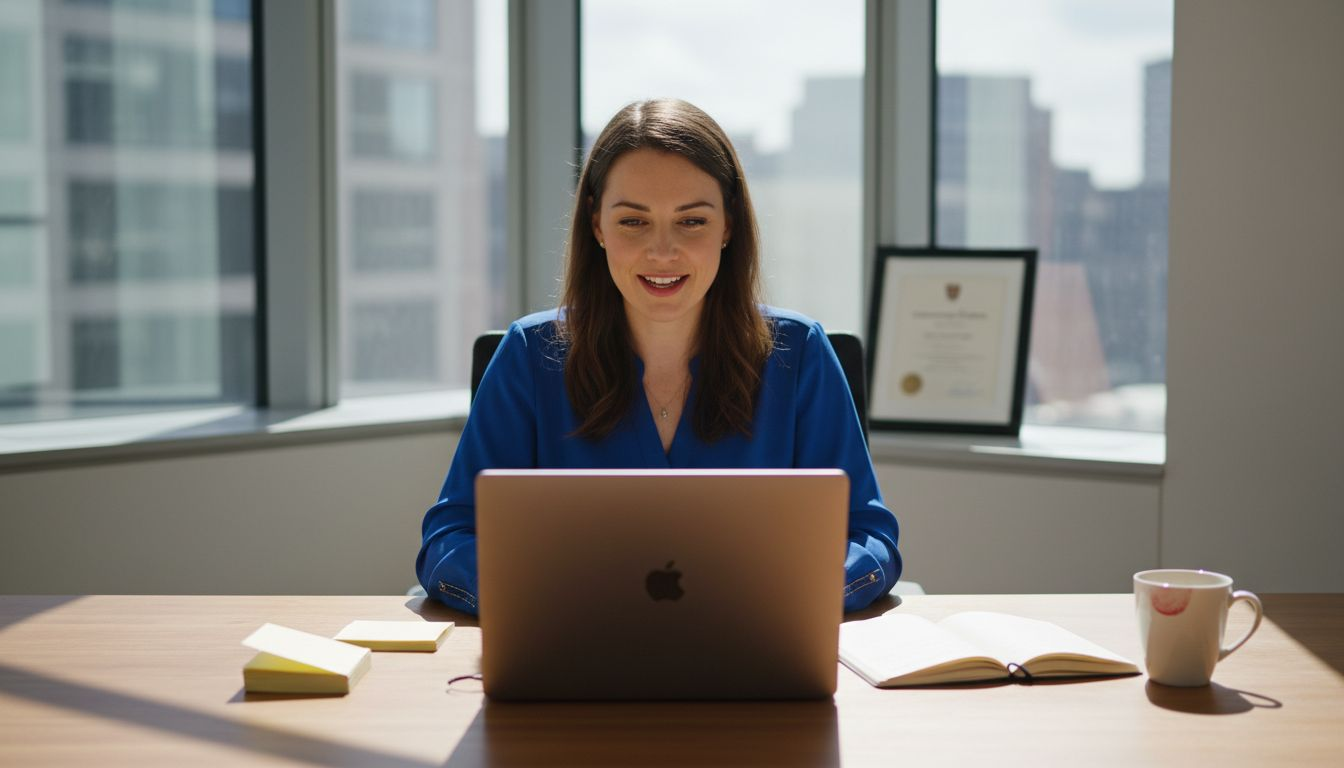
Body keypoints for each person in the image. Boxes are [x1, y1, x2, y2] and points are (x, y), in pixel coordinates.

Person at [416, 98, 901, 614]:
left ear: (728, 225)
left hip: (754, 655)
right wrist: (548, 599)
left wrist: (788, 598)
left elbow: (869, 538)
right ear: (597, 225)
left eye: (691, 222)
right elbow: (450, 538)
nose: (663, 252)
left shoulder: (800, 355)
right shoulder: (528, 357)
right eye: (633, 222)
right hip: (575, 656)